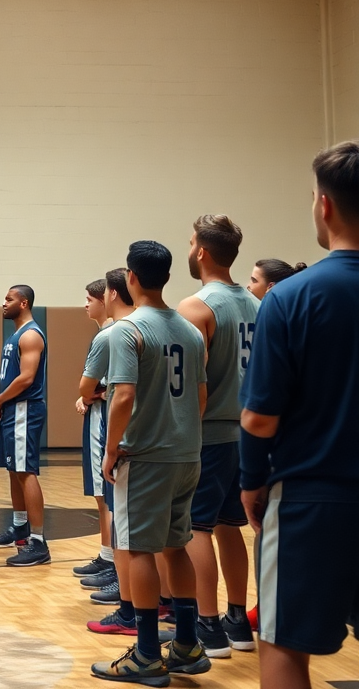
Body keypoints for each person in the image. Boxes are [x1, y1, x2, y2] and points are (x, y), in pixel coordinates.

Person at [240, 141, 359, 689]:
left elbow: (260, 420)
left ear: (325, 206)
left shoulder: (290, 298)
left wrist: (252, 482)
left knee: (284, 644)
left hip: (314, 497)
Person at [89, 240, 211, 684]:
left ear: (131, 278)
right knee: (175, 546)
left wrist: (111, 447)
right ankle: (186, 643)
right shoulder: (190, 330)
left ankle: (145, 653)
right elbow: (200, 396)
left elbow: (122, 395)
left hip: (146, 457)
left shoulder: (127, 330)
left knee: (138, 548)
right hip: (187, 454)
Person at [177, 214, 260, 657]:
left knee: (196, 528)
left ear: (202, 251)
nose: (189, 248)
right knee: (232, 527)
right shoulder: (258, 304)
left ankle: (207, 626)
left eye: (191, 242)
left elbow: (196, 386)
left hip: (209, 435)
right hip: (248, 434)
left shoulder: (197, 306)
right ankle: (237, 621)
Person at [85, 268, 140, 635]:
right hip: (176, 445)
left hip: (130, 442)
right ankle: (193, 624)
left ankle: (130, 607)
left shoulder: (119, 332)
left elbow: (118, 392)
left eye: (97, 294)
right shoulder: (182, 323)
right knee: (174, 537)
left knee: (129, 528)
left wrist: (111, 447)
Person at [0, 285, 50, 566]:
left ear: (23, 303)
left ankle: (38, 542)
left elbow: (26, 378)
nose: (4, 303)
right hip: (13, 410)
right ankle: (20, 527)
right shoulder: (16, 334)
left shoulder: (31, 334)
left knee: (25, 471)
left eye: (9, 299)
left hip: (25, 408)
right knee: (14, 469)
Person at [74, 280, 115, 589]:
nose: (85, 304)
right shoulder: (103, 333)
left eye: (90, 299)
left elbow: (104, 385)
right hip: (98, 415)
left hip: (105, 420)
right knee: (102, 497)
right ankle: (106, 553)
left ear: (105, 299)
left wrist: (88, 394)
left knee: (107, 497)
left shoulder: (111, 334)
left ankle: (114, 560)